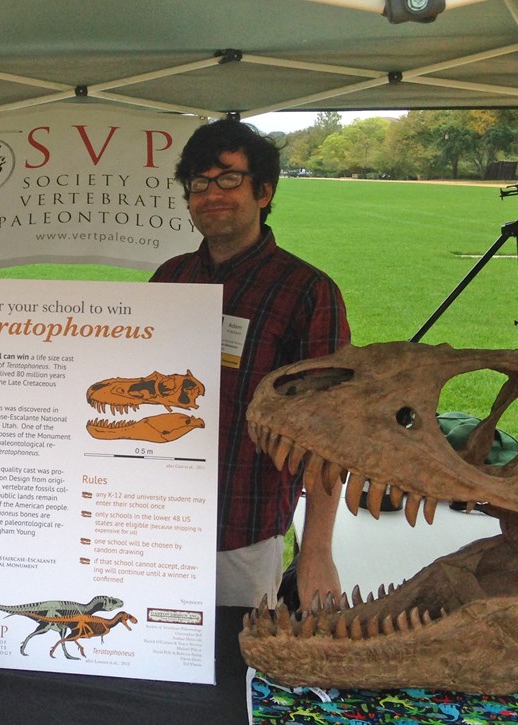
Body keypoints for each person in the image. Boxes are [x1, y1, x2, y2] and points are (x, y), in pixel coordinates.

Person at [149, 119, 350, 609]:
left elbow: (328, 430)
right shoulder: (169, 280)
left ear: (264, 191)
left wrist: (317, 549)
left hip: (241, 530)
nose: (210, 194)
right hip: (153, 522)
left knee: (233, 666)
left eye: (228, 179)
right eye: (198, 183)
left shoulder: (308, 292)